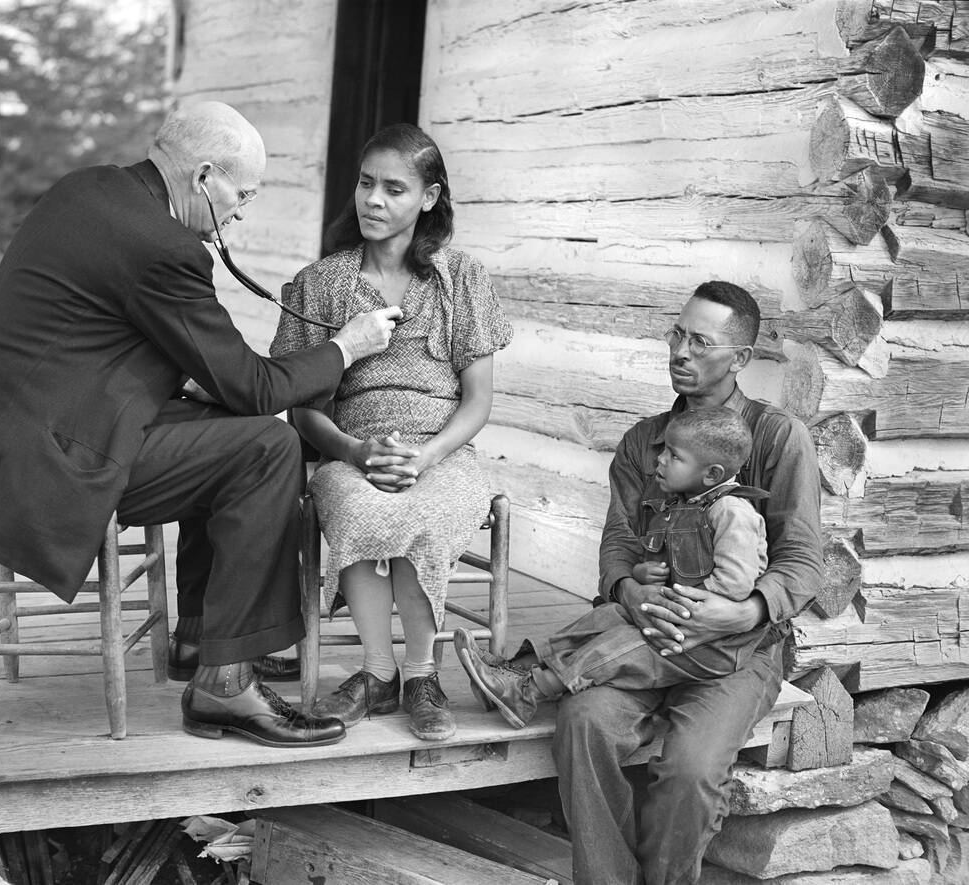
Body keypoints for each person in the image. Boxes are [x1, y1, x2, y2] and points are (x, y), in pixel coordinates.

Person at [0, 100, 404, 748]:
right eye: (241, 194)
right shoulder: (162, 246)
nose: (241, 211)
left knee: (220, 422)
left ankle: (205, 639)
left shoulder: (89, 189)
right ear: (204, 176)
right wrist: (347, 346)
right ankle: (224, 683)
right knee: (266, 445)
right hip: (49, 461)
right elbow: (256, 386)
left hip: (7, 431)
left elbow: (99, 330)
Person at [455, 282, 821, 884]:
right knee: (584, 722)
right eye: (677, 334)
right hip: (647, 630)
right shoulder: (645, 445)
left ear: (741, 359)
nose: (680, 350)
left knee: (690, 769)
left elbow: (804, 559)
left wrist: (746, 611)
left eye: (700, 341)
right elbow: (618, 544)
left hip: (737, 649)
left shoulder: (779, 439)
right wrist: (629, 588)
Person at [269, 123, 512, 741]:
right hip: (352, 451)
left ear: (428, 198)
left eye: (394, 188)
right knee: (352, 505)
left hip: (444, 451)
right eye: (366, 183)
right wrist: (354, 451)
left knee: (427, 512)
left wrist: (425, 455)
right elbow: (300, 407)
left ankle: (420, 674)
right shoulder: (320, 283)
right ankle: (378, 675)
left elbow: (478, 401)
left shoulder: (462, 280)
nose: (373, 200)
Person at [456, 405, 769, 726]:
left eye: (674, 456)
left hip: (711, 643)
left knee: (621, 644)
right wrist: (643, 574)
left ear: (712, 474)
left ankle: (528, 692)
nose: (660, 459)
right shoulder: (684, 505)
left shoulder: (732, 512)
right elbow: (674, 562)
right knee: (609, 614)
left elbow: (735, 584)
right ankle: (514, 669)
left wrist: (679, 607)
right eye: (663, 451)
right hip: (677, 621)